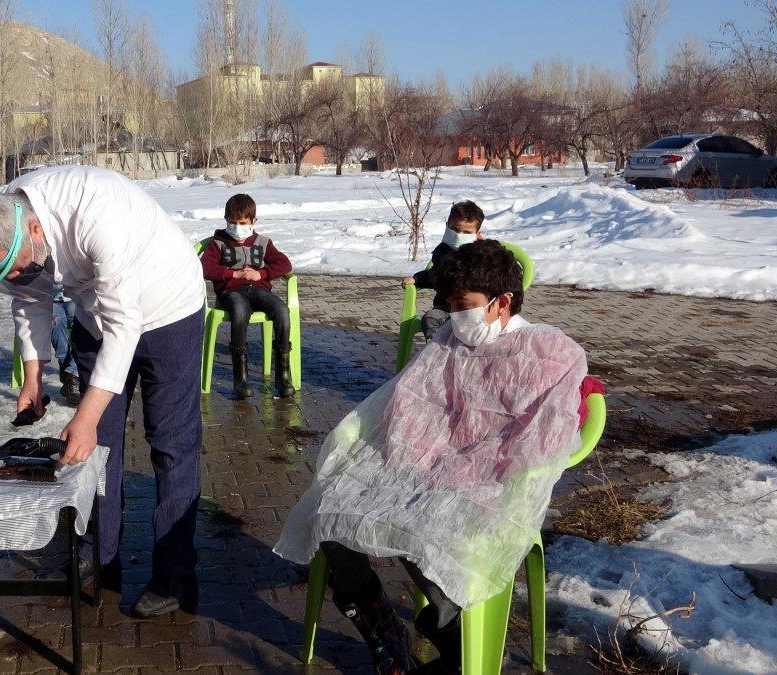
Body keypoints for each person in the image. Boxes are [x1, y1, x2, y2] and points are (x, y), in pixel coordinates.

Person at [276, 240, 601, 674]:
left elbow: (542, 437)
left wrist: (468, 468)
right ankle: (380, 627)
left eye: (463, 305)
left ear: (502, 302)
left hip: (492, 481)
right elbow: (413, 397)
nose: (455, 316)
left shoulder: (550, 353)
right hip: (425, 465)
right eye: (449, 304)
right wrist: (411, 455)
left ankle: (459, 645)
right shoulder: (452, 336)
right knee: (331, 509)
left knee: (422, 528)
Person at [0, 165, 206, 618]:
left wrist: (86, 415)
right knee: (93, 448)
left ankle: (175, 573)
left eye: (22, 264)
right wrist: (34, 374)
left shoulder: (96, 212)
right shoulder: (9, 213)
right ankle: (97, 555)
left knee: (172, 442)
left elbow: (126, 325)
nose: (22, 274)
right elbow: (30, 299)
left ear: (34, 229)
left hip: (167, 309)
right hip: (97, 315)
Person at [199, 193, 294, 398]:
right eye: (232, 223)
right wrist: (233, 273)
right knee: (240, 312)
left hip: (258, 290)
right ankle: (240, 378)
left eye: (242, 223)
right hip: (230, 293)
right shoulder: (218, 244)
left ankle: (283, 374)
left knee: (282, 310)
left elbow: (284, 264)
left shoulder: (263, 242)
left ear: (253, 222)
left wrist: (262, 273)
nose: (237, 227)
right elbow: (205, 267)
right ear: (226, 221)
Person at [402, 200, 485, 341]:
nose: (459, 235)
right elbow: (435, 274)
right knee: (430, 318)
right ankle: (436, 349)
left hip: (474, 311)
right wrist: (417, 279)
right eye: (455, 229)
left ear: (477, 233)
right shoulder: (442, 251)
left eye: (466, 232)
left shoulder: (483, 254)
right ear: (447, 226)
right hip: (445, 311)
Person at [51, 284, 81, 405]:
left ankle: (73, 376)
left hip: (75, 295)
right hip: (50, 298)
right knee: (55, 330)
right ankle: (69, 377)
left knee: (82, 332)